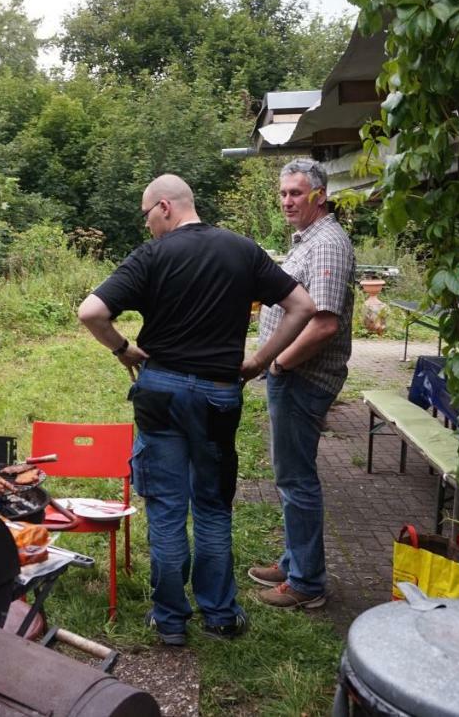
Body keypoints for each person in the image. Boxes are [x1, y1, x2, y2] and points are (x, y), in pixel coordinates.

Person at [78, 174, 316, 645]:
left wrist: (124, 349)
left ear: (165, 207)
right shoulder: (243, 250)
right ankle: (220, 616)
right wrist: (258, 363)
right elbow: (302, 307)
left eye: (147, 216)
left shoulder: (152, 256)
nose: (147, 227)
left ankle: (169, 622)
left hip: (160, 392)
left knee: (167, 509)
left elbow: (91, 312)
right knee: (211, 507)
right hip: (217, 393)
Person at [249, 158, 354, 610]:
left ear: (320, 195)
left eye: (296, 193)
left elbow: (325, 323)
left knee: (297, 480)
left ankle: (307, 582)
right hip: (294, 376)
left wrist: (280, 364)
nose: (288, 201)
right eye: (283, 193)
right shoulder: (309, 241)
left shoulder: (328, 242)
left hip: (302, 377)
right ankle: (294, 561)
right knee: (290, 476)